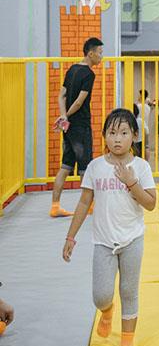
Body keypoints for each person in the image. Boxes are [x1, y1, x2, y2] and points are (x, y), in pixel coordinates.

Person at [62, 108, 157, 346]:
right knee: (101, 295)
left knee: (129, 291)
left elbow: (150, 204)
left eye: (124, 133)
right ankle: (107, 311)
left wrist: (131, 182)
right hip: (103, 242)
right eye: (112, 133)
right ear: (104, 136)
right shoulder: (95, 167)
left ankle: (126, 345)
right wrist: (70, 236)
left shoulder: (141, 167)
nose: (117, 139)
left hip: (132, 240)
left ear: (134, 136)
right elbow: (84, 203)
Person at [51, 37, 104, 217]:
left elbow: (61, 96)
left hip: (69, 127)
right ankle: (89, 207)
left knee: (65, 166)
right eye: (99, 52)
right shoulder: (89, 74)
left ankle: (55, 206)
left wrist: (63, 116)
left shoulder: (72, 69)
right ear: (90, 53)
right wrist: (66, 115)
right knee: (85, 168)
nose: (101, 56)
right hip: (80, 126)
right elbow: (80, 101)